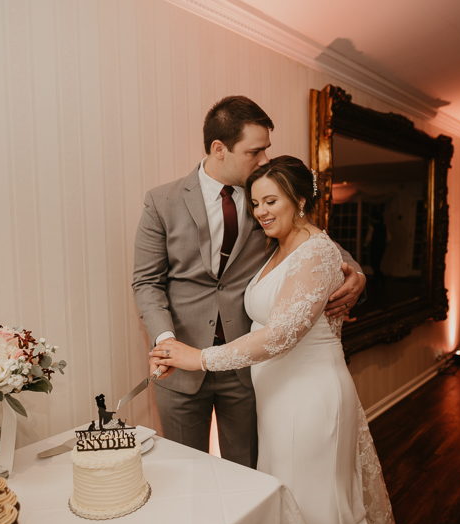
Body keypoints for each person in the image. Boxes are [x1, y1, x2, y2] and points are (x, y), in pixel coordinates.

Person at [150, 156, 395, 524]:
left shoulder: (316, 251)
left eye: (271, 201)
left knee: (314, 505)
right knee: (286, 498)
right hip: (277, 398)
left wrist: (199, 358)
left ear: (298, 200)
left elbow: (281, 333)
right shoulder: (276, 244)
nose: (260, 212)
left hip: (308, 397)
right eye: (256, 203)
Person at [132, 96, 366, 469]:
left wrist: (358, 274)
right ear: (219, 149)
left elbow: (318, 244)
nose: (264, 161)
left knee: (251, 472)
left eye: (266, 151)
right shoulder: (162, 201)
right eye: (254, 151)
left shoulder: (269, 198)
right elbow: (146, 281)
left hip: (249, 368)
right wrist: (166, 341)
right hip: (179, 367)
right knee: (185, 471)